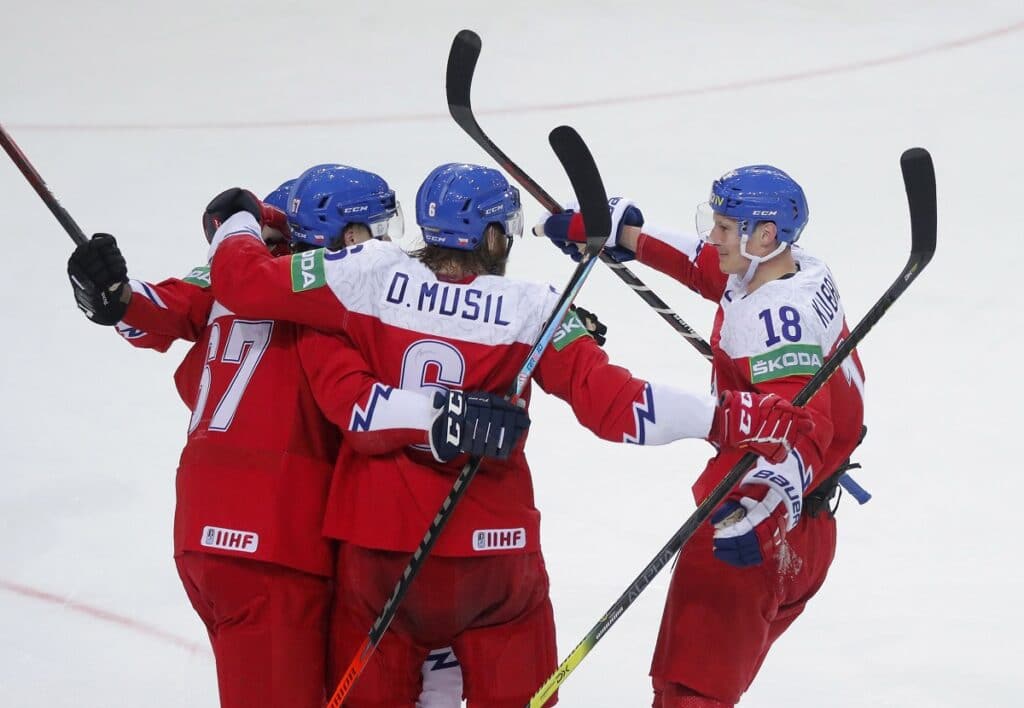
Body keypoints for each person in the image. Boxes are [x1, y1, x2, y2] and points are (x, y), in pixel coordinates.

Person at [203, 162, 816, 707]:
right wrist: (731, 416)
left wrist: (235, 222)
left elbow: (242, 283)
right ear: (493, 236)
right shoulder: (533, 305)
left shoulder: (361, 272)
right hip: (494, 555)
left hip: (376, 553)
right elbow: (620, 408)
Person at [65, 169, 512, 708]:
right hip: (275, 539)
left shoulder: (239, 279)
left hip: (209, 530)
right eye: (376, 227)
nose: (388, 243)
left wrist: (112, 295)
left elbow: (149, 313)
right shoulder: (330, 296)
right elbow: (391, 380)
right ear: (343, 234)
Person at [538, 165, 866, 707]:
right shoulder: (795, 268)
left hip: (753, 521)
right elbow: (703, 266)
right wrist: (626, 238)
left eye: (723, 227)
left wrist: (763, 506)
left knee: (691, 695)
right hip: (806, 529)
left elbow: (806, 431)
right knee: (692, 689)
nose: (712, 238)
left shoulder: (779, 316)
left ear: (764, 235)